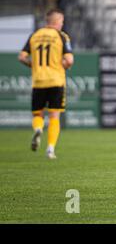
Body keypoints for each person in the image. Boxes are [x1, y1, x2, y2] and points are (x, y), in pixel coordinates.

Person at [18, 9, 74, 159]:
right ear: (56, 22)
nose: (62, 24)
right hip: (56, 80)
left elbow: (22, 57)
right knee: (54, 116)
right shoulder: (61, 36)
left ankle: (38, 128)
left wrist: (33, 65)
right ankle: (50, 149)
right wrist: (63, 65)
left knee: (38, 113)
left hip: (38, 81)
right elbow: (69, 60)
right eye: (61, 21)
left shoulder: (34, 35)